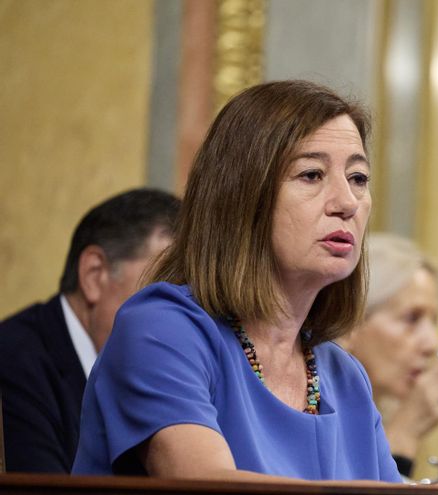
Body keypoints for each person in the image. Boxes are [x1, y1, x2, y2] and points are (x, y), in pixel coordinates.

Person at [72, 80, 403, 486]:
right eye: (311, 174)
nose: (347, 203)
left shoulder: (344, 376)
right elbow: (206, 484)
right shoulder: (162, 329)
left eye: (358, 178)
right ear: (242, 196)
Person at [0, 188, 180, 473]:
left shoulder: (175, 372)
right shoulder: (12, 362)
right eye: (164, 288)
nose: (180, 313)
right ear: (94, 275)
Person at [340, 233, 438, 478]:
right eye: (412, 318)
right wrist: (404, 431)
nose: (432, 343)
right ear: (351, 322)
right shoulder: (314, 409)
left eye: (433, 321)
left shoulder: (375, 416)